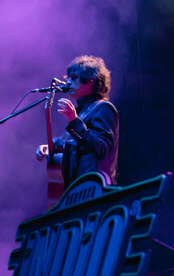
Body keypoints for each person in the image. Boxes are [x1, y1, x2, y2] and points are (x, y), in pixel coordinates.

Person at [36, 55, 119, 187]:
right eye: (68, 77)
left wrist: (74, 121)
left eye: (74, 77)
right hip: (76, 189)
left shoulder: (103, 108)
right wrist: (52, 147)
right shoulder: (81, 112)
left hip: (94, 188)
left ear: (91, 80)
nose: (68, 82)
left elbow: (102, 148)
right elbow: (72, 144)